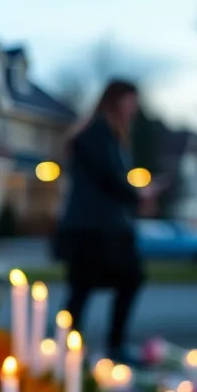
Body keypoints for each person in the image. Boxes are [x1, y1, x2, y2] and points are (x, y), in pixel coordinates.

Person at [54, 79, 162, 361]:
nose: (134, 109)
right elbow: (110, 177)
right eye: (130, 102)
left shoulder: (103, 134)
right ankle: (100, 346)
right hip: (96, 230)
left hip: (93, 228)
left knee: (82, 288)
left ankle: (67, 346)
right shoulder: (99, 132)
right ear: (116, 100)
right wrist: (138, 194)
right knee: (122, 279)